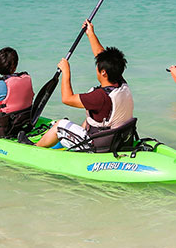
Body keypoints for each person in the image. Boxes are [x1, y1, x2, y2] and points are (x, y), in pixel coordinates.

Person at [34, 20, 133, 150]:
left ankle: (34, 148)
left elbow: (67, 99)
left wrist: (66, 71)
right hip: (117, 138)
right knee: (89, 119)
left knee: (60, 125)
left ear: (103, 72)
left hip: (97, 145)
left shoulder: (99, 97)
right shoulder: (120, 83)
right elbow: (101, 54)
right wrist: (90, 34)